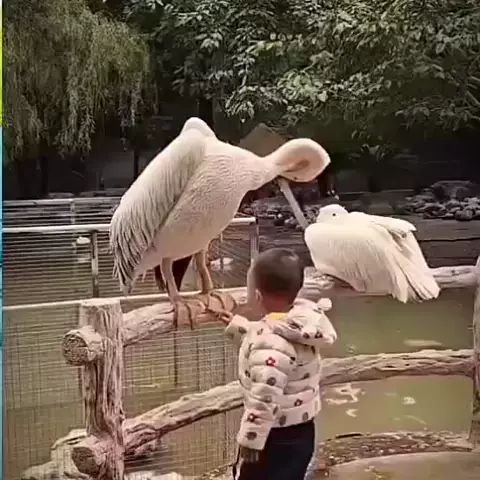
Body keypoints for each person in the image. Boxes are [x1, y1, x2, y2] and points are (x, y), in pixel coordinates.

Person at [218, 248, 338, 480]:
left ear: (257, 296)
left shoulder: (271, 341)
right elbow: (275, 348)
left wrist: (251, 440)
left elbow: (265, 395)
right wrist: (237, 326)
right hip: (302, 430)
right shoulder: (301, 322)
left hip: (273, 436)